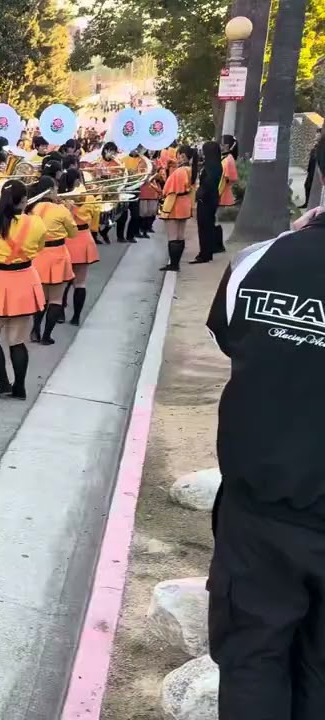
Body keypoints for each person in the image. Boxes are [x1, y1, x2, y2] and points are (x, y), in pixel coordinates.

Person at [204, 140, 325, 716]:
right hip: (272, 507)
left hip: (261, 507)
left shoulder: (261, 259)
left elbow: (230, 335)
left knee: (253, 660)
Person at [0, 180, 46, 399]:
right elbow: (40, 248)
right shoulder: (37, 223)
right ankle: (20, 387)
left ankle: (3, 383)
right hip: (26, 280)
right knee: (18, 341)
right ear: (24, 200)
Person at [28, 176, 77, 344]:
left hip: (38, 255)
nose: (58, 193)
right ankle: (46, 336)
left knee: (41, 298)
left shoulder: (31, 208)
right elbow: (73, 233)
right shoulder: (61, 209)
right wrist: (70, 211)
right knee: (55, 299)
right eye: (56, 189)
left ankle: (35, 330)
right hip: (57, 255)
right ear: (50, 191)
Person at [63, 167, 100, 325]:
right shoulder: (90, 197)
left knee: (63, 280)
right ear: (78, 180)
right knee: (81, 282)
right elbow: (95, 215)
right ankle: (76, 317)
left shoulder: (62, 199)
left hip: (67, 239)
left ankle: (60, 312)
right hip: (84, 237)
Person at [159, 146, 197, 272]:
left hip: (175, 205)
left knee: (172, 236)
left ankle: (173, 264)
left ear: (182, 155)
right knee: (180, 235)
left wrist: (165, 211)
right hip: (185, 204)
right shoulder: (190, 170)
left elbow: (170, 192)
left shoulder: (179, 172)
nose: (176, 158)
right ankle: (176, 263)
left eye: (178, 155)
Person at [193, 140, 223, 265]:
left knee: (205, 226)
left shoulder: (213, 166)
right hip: (211, 198)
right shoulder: (213, 164)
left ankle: (205, 253)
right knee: (207, 226)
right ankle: (206, 252)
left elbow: (209, 183)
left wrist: (201, 193)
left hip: (207, 199)